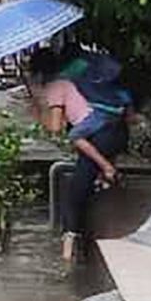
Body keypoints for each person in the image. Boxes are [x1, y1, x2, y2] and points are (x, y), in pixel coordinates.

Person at [29, 47, 130, 266]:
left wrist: (37, 112)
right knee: (87, 186)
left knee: (73, 198)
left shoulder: (56, 87)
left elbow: (56, 127)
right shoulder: (74, 80)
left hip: (100, 137)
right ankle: (92, 242)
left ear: (38, 74)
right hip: (117, 131)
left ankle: (68, 258)